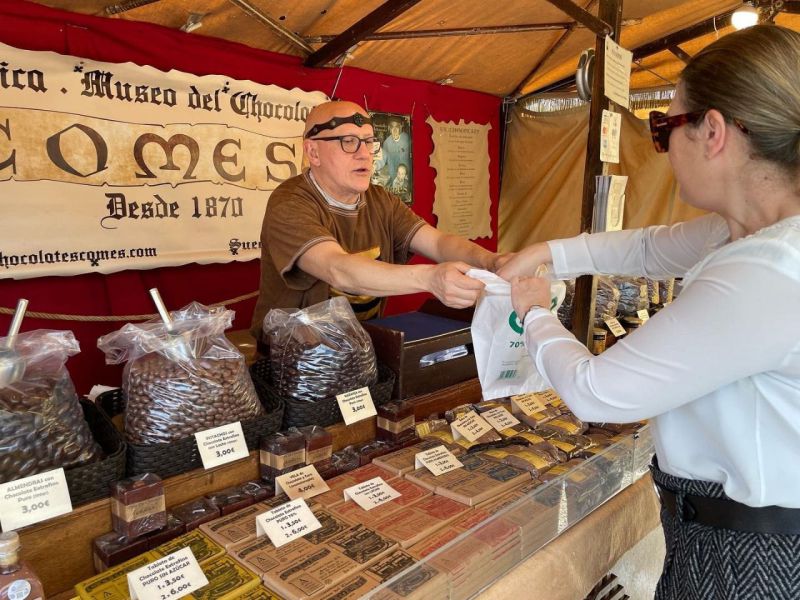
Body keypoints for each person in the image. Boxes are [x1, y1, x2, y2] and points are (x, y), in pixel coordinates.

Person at [498, 24, 800, 600]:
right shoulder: (749, 233)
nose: (661, 148)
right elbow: (648, 248)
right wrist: (544, 253)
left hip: (753, 557)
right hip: (725, 533)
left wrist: (537, 313)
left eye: (663, 128)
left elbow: (597, 392)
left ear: (712, 132)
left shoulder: (766, 270)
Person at [250, 100, 501, 335]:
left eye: (369, 142)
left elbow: (437, 243)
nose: (364, 154)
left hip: (362, 347)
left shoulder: (381, 200)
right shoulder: (290, 202)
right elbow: (337, 269)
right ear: (313, 153)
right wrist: (431, 279)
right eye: (348, 141)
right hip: (292, 356)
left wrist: (490, 261)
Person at [373, 115, 411, 187]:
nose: (394, 129)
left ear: (401, 127)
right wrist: (375, 165)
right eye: (392, 127)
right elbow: (382, 157)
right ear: (389, 129)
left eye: (397, 126)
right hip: (394, 178)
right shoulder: (387, 143)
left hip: (408, 178)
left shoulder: (407, 139)